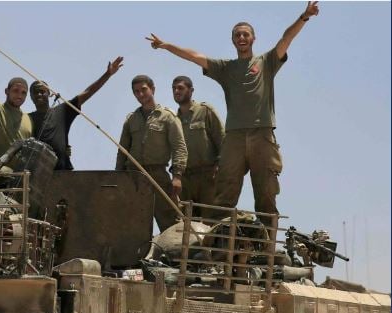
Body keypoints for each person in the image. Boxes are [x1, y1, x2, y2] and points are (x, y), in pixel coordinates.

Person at [145, 1, 320, 221]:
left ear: (253, 39)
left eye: (246, 34)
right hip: (234, 137)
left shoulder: (266, 62)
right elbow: (194, 56)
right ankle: (217, 245)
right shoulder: (225, 68)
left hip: (262, 134)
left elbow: (286, 39)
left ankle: (266, 250)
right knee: (224, 193)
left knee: (265, 194)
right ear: (233, 40)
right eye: (237, 35)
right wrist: (165, 45)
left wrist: (304, 16)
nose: (242, 38)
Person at [116, 75, 188, 233]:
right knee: (132, 220)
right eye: (136, 92)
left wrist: (177, 176)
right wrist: (118, 176)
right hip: (133, 176)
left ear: (152, 89)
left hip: (158, 175)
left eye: (143, 90)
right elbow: (123, 151)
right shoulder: (131, 120)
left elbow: (179, 147)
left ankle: (171, 255)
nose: (140, 95)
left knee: (169, 220)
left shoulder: (167, 117)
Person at [29, 56, 124, 170]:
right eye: (35, 92)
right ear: (31, 96)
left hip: (64, 171)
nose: (39, 94)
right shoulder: (27, 119)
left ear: (49, 93)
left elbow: (88, 92)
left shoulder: (63, 110)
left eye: (42, 91)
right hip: (38, 173)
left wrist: (108, 74)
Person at [171, 76, 224, 219]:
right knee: (185, 225)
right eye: (174, 88)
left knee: (210, 223)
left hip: (208, 177)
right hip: (185, 179)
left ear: (191, 90)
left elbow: (223, 141)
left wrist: (219, 167)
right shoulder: (173, 120)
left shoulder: (205, 111)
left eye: (180, 88)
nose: (176, 91)